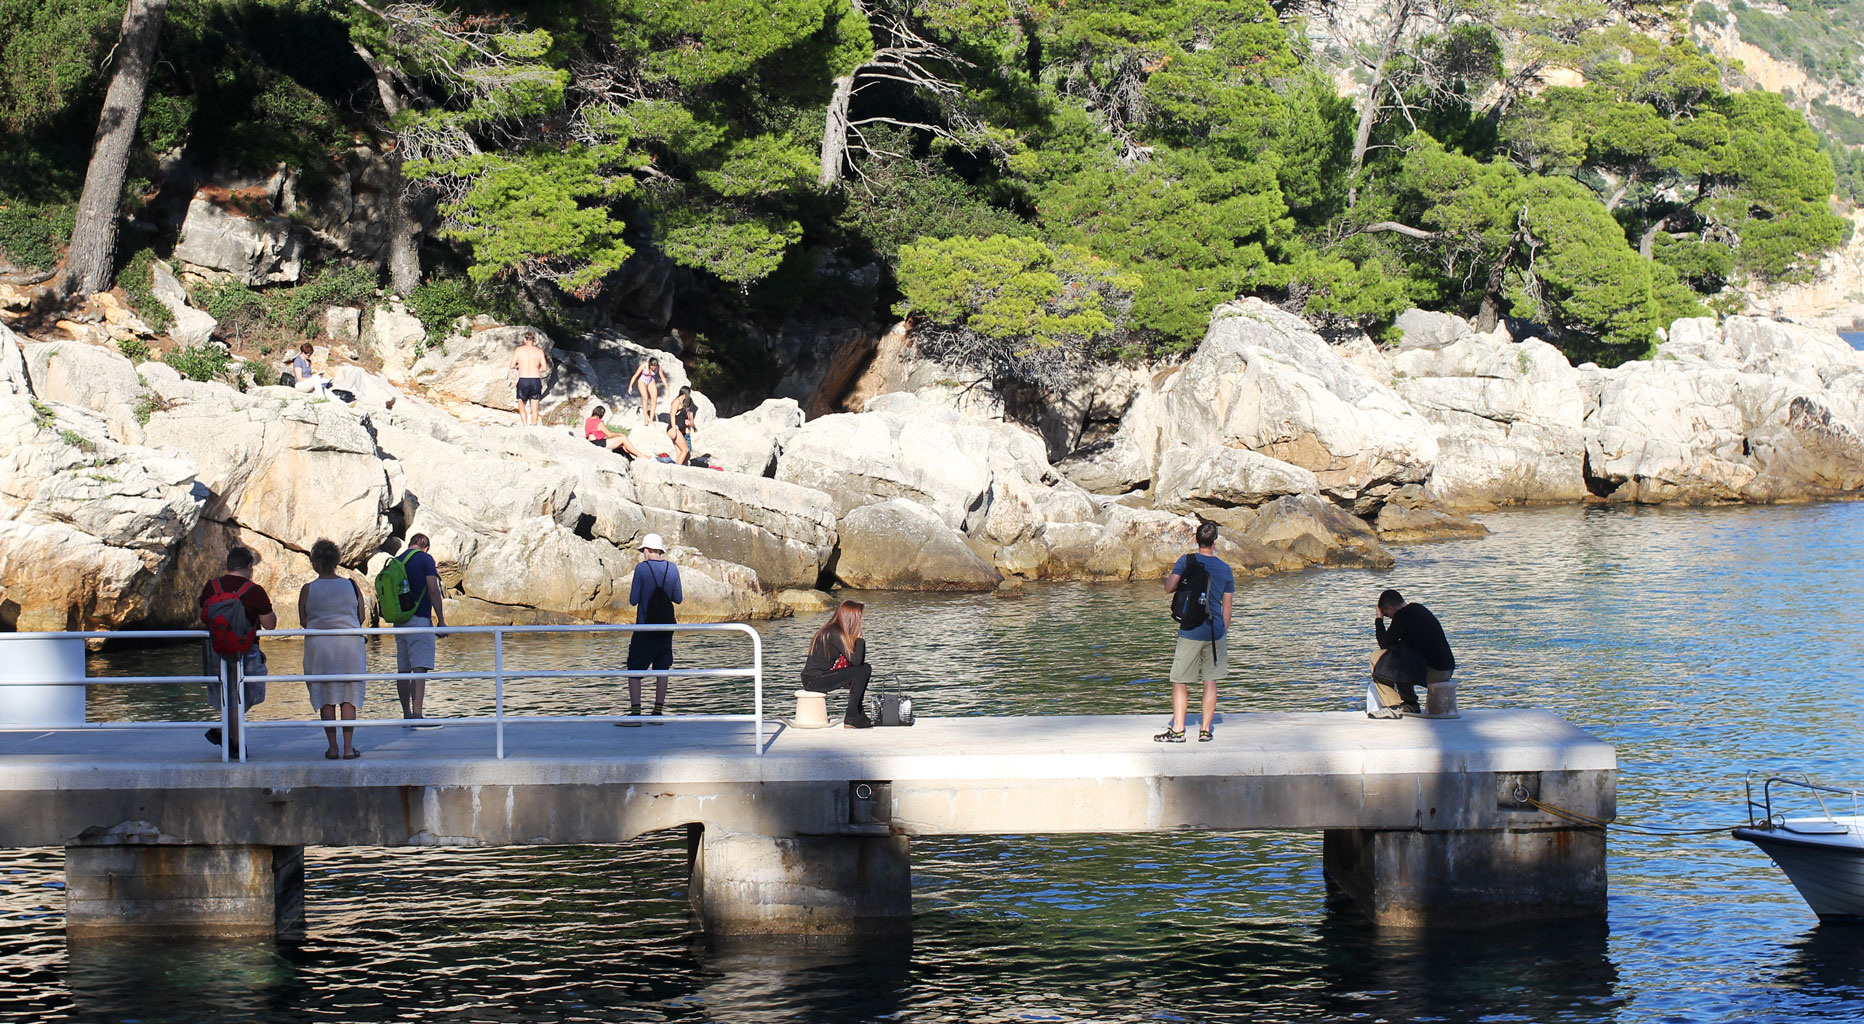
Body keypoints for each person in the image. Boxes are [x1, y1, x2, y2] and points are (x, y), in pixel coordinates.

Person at [1156, 520, 1235, 743]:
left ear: (1195, 540)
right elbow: (1227, 605)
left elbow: (1168, 588)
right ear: (1215, 542)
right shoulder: (1225, 569)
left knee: (1179, 680)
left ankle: (1179, 730)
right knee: (1210, 681)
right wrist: (1222, 632)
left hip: (1190, 629)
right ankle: (1205, 730)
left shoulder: (1185, 561)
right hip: (1215, 631)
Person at [199, 546, 276, 753]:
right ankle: (235, 744)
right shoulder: (255, 591)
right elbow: (270, 625)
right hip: (246, 651)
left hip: (215, 649)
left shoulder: (211, 587)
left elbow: (203, 614)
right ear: (249, 567)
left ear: (229, 565)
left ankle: (224, 732)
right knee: (249, 694)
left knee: (229, 696)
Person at [298, 539, 366, 759]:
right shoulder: (351, 585)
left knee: (326, 695)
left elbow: (303, 620)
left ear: (315, 562)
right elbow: (361, 617)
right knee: (349, 696)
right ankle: (348, 748)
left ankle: (332, 747)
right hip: (350, 645)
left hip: (320, 647)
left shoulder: (308, 589)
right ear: (337, 560)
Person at [621, 533, 683, 724]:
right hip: (666, 628)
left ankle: (635, 714)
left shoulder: (641, 569)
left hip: (645, 628)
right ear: (661, 550)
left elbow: (633, 600)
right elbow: (678, 598)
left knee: (634, 670)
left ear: (646, 550)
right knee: (662, 669)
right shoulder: (672, 568)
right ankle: (657, 713)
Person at [1369, 589, 1457, 719]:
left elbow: (1384, 643)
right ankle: (1410, 705)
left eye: (1387, 614)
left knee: (1376, 657)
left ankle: (1393, 706)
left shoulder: (1402, 616)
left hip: (1434, 673)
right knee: (1399, 654)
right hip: (1446, 670)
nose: (1390, 618)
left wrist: (1379, 619)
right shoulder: (1418, 609)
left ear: (1390, 608)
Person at [395, 534, 446, 728]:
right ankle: (417, 714)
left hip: (400, 622)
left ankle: (406, 714)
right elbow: (433, 590)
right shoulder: (425, 559)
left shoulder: (398, 560)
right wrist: (441, 620)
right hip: (419, 619)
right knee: (419, 668)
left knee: (403, 669)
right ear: (426, 547)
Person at [800, 600, 875, 729]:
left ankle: (857, 712)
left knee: (865, 668)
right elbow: (856, 662)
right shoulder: (834, 633)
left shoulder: (834, 631)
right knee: (861, 671)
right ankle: (851, 716)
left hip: (818, 678)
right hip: (813, 680)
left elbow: (859, 662)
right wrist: (860, 640)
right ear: (851, 619)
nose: (861, 621)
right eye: (859, 618)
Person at [510, 330, 549, 426]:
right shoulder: (539, 352)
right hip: (535, 380)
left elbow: (512, 365)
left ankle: (525, 425)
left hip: (523, 379)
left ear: (524, 339)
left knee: (521, 403)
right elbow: (544, 368)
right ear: (534, 340)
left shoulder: (519, 350)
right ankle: (534, 424)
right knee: (534, 405)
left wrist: (519, 367)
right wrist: (536, 369)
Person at [628, 356, 662, 425]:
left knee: (654, 399)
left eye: (655, 367)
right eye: (652, 366)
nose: (654, 368)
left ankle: (651, 420)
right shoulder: (643, 366)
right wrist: (630, 386)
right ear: (649, 364)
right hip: (642, 381)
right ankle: (646, 419)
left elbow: (663, 378)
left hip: (651, 380)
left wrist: (667, 389)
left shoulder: (658, 367)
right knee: (645, 398)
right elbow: (635, 376)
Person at [666, 386, 696, 465]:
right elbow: (672, 415)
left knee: (680, 453)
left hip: (679, 429)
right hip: (673, 428)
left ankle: (677, 468)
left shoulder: (683, 403)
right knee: (685, 450)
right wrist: (674, 429)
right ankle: (676, 469)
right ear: (685, 394)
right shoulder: (677, 401)